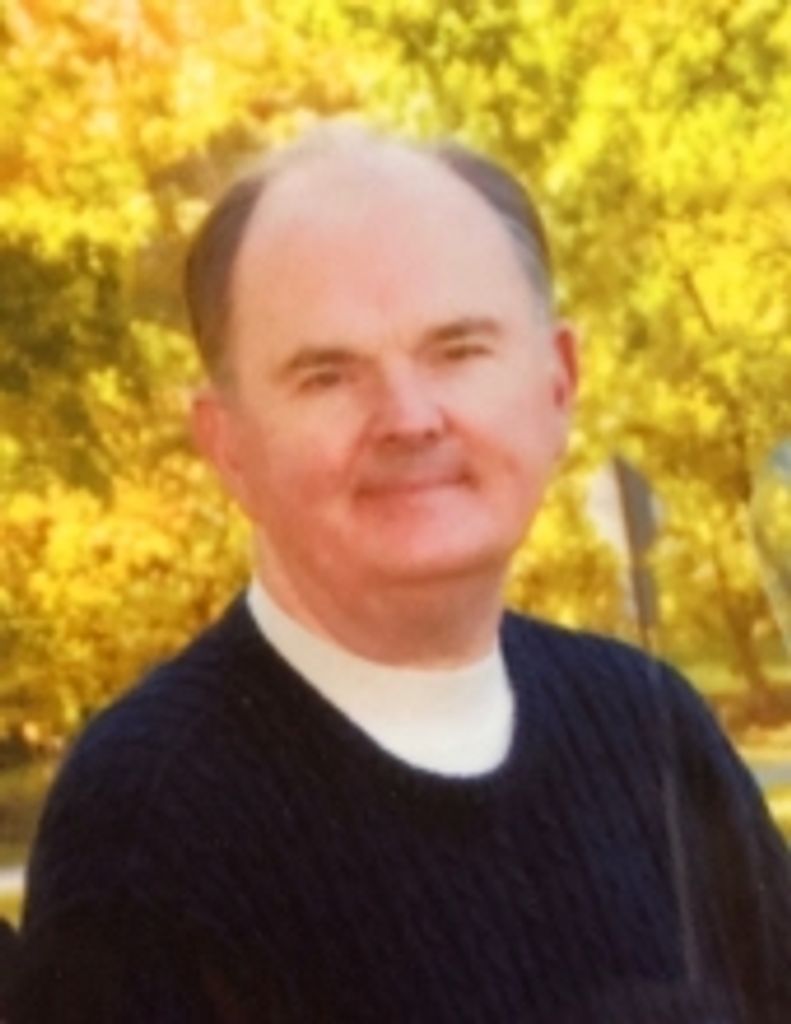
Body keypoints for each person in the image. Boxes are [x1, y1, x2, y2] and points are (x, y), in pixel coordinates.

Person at [8, 122, 791, 1023]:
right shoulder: (149, 826)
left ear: (557, 384)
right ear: (227, 444)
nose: (409, 418)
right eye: (326, 375)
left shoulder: (648, 728)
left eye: (458, 350)